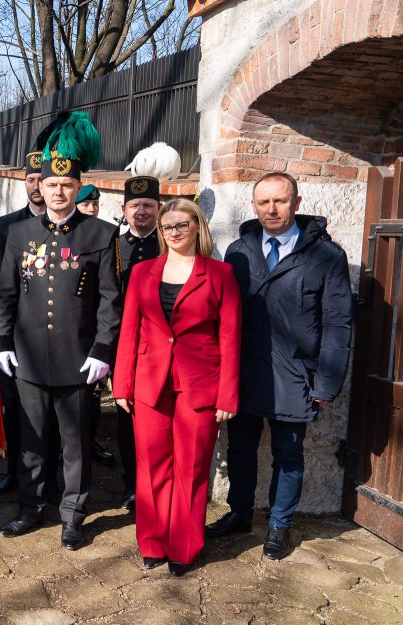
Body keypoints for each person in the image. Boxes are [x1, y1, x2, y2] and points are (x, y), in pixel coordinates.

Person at [207, 172, 353, 560]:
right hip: (244, 372)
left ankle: (279, 524)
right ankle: (239, 512)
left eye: (280, 200)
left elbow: (338, 323)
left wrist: (326, 382)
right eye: (264, 202)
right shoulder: (238, 251)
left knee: (288, 455)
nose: (271, 209)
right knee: (239, 449)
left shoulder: (326, 256)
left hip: (295, 376)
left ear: (297, 202)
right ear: (254, 206)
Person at [0, 111, 121, 550]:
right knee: (30, 438)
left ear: (78, 187)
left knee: (75, 443)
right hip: (28, 358)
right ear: (40, 187)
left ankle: (73, 513)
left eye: (67, 186)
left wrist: (103, 349)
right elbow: (6, 293)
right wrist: (3, 342)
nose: (59, 192)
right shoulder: (18, 233)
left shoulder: (102, 234)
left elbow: (110, 299)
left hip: (78, 358)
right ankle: (30, 507)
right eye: (51, 185)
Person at [112, 199, 241, 576]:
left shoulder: (220, 274)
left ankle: (185, 545)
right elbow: (130, 331)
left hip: (200, 384)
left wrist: (228, 394)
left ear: (197, 227)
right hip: (149, 381)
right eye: (168, 227)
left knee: (192, 465)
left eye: (183, 225)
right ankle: (152, 542)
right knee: (151, 464)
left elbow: (231, 337)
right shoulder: (142, 272)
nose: (175, 232)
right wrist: (122, 384)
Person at [0, 151, 45, 496]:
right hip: (16, 330)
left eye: (40, 179)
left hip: (49, 329)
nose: (35, 186)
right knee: (13, 405)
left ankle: (46, 476)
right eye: (30, 180)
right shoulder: (9, 224)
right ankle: (14, 471)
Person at [114, 175, 164, 510]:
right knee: (124, 415)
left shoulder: (169, 242)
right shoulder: (112, 246)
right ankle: (132, 482)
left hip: (161, 346)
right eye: (135, 205)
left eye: (148, 205)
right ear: (124, 209)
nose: (141, 212)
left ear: (159, 209)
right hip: (122, 342)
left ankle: (157, 481)